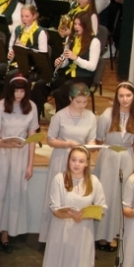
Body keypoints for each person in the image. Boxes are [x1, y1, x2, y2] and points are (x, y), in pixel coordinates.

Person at [39, 145, 106, 267]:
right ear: (68, 161)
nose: (76, 164)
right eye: (73, 160)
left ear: (86, 163)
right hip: (61, 231)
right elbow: (54, 206)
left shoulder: (94, 181)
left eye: (81, 161)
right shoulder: (59, 179)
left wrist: (85, 214)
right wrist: (68, 213)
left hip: (83, 233)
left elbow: (102, 207)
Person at [38, 87, 99, 242]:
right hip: (62, 158)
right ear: (71, 99)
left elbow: (91, 139)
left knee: (78, 195)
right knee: (59, 195)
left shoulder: (91, 117)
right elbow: (50, 140)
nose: (82, 105)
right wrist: (67, 144)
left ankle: (75, 234)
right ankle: (52, 236)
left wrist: (90, 147)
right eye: (78, 102)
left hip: (80, 159)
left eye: (85, 102)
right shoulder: (59, 116)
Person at [0, 78, 39, 246]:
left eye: (22, 91)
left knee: (14, 193)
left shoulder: (31, 107)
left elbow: (32, 138)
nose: (19, 95)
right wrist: (5, 143)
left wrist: (30, 164)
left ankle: (6, 232)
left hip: (20, 155)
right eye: (16, 91)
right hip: (2, 152)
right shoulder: (0, 107)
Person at [95, 82, 134, 250]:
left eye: (128, 95)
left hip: (125, 156)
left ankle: (115, 235)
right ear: (116, 97)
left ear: (133, 97)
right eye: (121, 96)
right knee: (105, 193)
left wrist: (125, 153)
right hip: (108, 154)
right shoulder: (107, 115)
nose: (125, 99)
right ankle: (100, 234)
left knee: (120, 195)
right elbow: (98, 138)